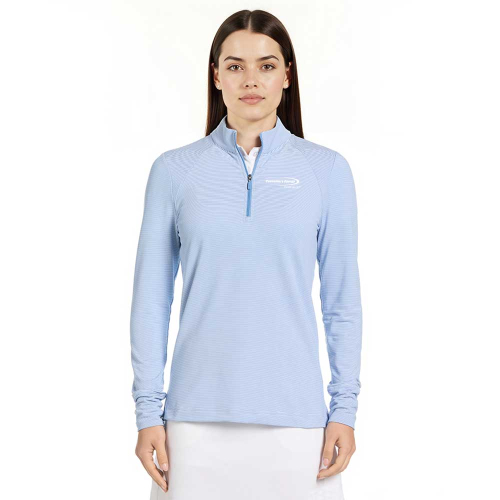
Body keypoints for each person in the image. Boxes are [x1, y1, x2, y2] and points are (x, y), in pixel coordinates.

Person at [130, 9, 362, 500]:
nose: (250, 80)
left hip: (298, 425)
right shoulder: (174, 171)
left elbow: (341, 303)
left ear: (287, 75)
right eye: (235, 66)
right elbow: (151, 302)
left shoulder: (327, 171)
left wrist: (344, 410)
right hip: (191, 425)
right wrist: (148, 413)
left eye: (266, 65)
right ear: (216, 76)